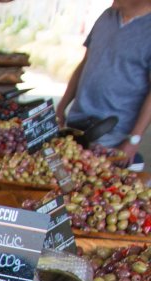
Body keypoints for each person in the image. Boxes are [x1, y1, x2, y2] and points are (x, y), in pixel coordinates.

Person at [55, 0, 151, 166]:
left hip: (114, 132)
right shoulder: (106, 16)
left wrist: (134, 139)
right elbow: (85, 63)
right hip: (77, 121)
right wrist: (62, 106)